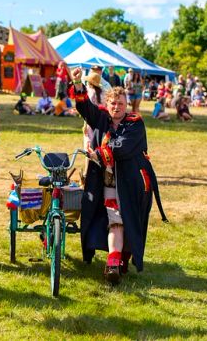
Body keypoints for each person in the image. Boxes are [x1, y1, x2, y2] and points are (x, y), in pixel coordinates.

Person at [69, 68, 167, 284]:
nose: (116, 107)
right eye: (113, 103)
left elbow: (121, 148)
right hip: (107, 181)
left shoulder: (135, 123)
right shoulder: (102, 118)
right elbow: (86, 108)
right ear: (108, 103)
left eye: (121, 104)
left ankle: (120, 260)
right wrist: (77, 83)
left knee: (129, 222)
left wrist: (98, 153)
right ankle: (113, 262)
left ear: (127, 105)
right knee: (115, 221)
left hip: (132, 183)